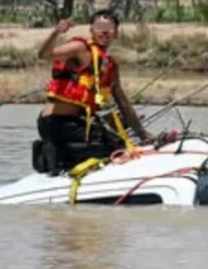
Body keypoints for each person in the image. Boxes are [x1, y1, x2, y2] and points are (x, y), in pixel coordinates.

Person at [33, 9, 156, 174]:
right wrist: (56, 32)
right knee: (114, 149)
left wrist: (143, 134)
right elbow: (44, 55)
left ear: (116, 33)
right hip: (55, 122)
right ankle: (50, 155)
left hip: (79, 122)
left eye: (110, 27)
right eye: (99, 26)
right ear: (91, 30)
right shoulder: (80, 48)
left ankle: (63, 153)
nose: (104, 31)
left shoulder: (110, 65)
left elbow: (122, 102)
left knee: (120, 143)